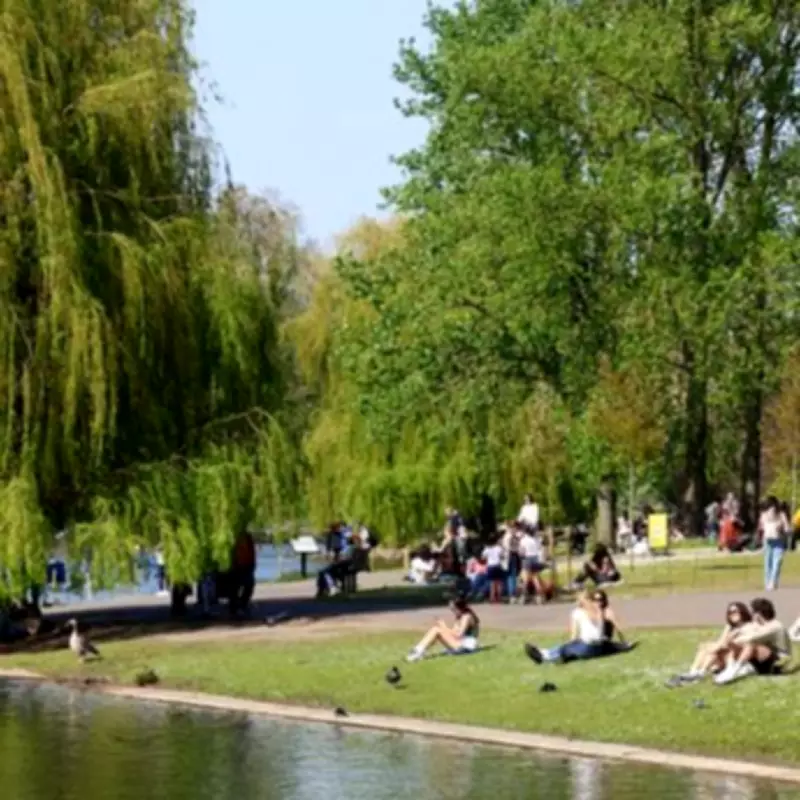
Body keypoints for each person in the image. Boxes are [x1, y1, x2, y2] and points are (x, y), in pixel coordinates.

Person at [524, 590, 631, 664]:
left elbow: (597, 618)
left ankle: (543, 656)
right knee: (565, 649)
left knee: (566, 650)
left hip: (595, 645)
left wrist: (624, 642)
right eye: (594, 599)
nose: (597, 602)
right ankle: (543, 654)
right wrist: (571, 643)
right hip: (588, 644)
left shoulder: (598, 610)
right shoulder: (578, 612)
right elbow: (574, 635)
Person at [665, 601, 753, 687]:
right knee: (708, 649)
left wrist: (714, 646)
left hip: (734, 659)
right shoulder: (730, 626)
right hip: (723, 656)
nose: (732, 614)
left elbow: (731, 645)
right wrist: (713, 646)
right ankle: (694, 673)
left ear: (742, 611)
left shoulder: (747, 626)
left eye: (735, 611)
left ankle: (696, 674)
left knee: (711, 650)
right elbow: (721, 641)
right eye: (730, 612)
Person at [713, 597, 791, 685]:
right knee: (735, 646)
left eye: (753, 612)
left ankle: (733, 671)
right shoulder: (762, 625)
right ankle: (730, 668)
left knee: (749, 645)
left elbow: (750, 638)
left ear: (758, 614)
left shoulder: (774, 626)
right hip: (763, 658)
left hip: (777, 661)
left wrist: (734, 636)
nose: (751, 615)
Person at [406, 596, 480, 662]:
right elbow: (454, 632)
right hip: (460, 643)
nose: (453, 611)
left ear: (460, 608)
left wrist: (444, 627)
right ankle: (418, 650)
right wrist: (443, 628)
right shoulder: (459, 617)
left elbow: (458, 635)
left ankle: (417, 652)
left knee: (437, 630)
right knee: (436, 629)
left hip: (466, 647)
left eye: (454, 609)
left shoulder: (466, 617)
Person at [760, 496, 790, 590]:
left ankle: (770, 583)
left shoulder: (777, 515)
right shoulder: (768, 515)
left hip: (773, 540)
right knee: (772, 562)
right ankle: (770, 582)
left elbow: (786, 528)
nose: (772, 509)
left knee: (772, 562)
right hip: (773, 540)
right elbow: (787, 528)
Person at [519, 526, 548, 603]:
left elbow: (522, 551)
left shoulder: (523, 540)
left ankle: (524, 596)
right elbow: (539, 548)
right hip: (535, 558)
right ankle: (539, 596)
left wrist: (521, 556)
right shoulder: (536, 540)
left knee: (526, 579)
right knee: (535, 577)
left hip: (527, 559)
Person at [502, 522, 522, 602]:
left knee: (514, 576)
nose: (516, 529)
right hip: (511, 556)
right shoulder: (509, 536)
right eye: (514, 528)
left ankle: (514, 594)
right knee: (511, 576)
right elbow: (509, 547)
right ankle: (512, 595)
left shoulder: (513, 536)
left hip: (514, 556)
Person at [482, 535, 505, 603]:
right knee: (499, 583)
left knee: (492, 583)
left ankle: (492, 598)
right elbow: (502, 556)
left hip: (490, 566)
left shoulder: (487, 549)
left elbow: (483, 557)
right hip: (497, 565)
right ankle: (499, 598)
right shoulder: (499, 548)